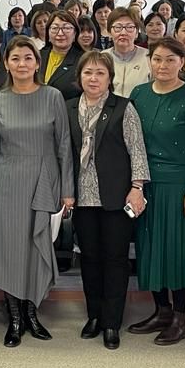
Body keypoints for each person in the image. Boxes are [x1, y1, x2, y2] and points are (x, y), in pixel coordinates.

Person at [0, 36, 73, 346]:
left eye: (28, 58)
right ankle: (14, 317)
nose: (22, 63)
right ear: (6, 64)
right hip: (6, 182)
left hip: (43, 179)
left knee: (36, 247)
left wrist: (67, 190)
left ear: (37, 63)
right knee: (10, 249)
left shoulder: (53, 96)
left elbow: (63, 145)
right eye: (15, 58)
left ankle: (32, 313)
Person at [124, 38, 185, 344]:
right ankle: (161, 310)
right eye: (157, 59)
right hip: (147, 185)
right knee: (151, 249)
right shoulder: (139, 94)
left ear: (182, 62)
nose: (162, 66)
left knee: (179, 250)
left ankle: (179, 316)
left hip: (180, 186)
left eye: (170, 60)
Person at [68, 51, 149, 350]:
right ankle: (94, 316)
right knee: (89, 258)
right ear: (79, 77)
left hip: (116, 195)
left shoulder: (123, 107)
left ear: (110, 78)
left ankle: (112, 322)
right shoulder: (68, 108)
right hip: (82, 197)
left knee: (115, 259)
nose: (93, 78)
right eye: (88, 72)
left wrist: (137, 187)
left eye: (100, 73)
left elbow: (137, 149)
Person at [104, 7, 150, 97]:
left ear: (136, 33)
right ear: (109, 32)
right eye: (118, 27)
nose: (123, 33)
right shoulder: (102, 58)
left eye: (130, 27)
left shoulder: (149, 57)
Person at [40, 10, 83, 100]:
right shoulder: (37, 56)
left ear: (75, 33)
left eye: (66, 28)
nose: (60, 33)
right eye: (55, 28)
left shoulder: (83, 60)